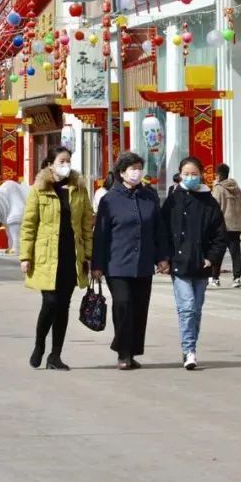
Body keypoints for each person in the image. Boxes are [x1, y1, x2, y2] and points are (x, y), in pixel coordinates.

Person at [92, 152, 170, 370]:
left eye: (139, 167)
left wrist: (162, 257)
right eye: (132, 168)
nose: (136, 172)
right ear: (121, 172)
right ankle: (122, 352)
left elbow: (158, 229)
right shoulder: (109, 199)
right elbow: (101, 234)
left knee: (139, 309)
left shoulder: (149, 197)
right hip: (116, 263)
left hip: (143, 262)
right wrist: (97, 264)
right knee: (123, 304)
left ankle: (131, 351)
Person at [20, 146, 94, 371]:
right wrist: (25, 255)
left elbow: (86, 224)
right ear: (50, 164)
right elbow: (29, 224)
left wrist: (89, 255)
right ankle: (39, 345)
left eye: (68, 160)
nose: (66, 164)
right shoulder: (39, 189)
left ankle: (55, 355)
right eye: (61, 160)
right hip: (47, 256)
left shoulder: (79, 189)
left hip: (71, 257)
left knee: (63, 306)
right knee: (50, 303)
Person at [162, 157, 227, 370]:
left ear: (201, 174)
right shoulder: (173, 200)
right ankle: (189, 350)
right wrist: (164, 258)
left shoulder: (209, 201)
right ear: (180, 174)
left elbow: (220, 234)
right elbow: (162, 232)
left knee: (196, 309)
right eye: (186, 173)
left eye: (194, 173)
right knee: (187, 308)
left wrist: (212, 258)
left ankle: (190, 346)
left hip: (202, 264)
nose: (190, 177)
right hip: (179, 264)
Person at [211, 163, 241, 288]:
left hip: (223, 226)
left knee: (218, 252)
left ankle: (215, 278)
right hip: (236, 225)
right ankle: (237, 278)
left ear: (218, 174)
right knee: (236, 254)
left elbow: (214, 207)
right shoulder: (237, 188)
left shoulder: (219, 188)